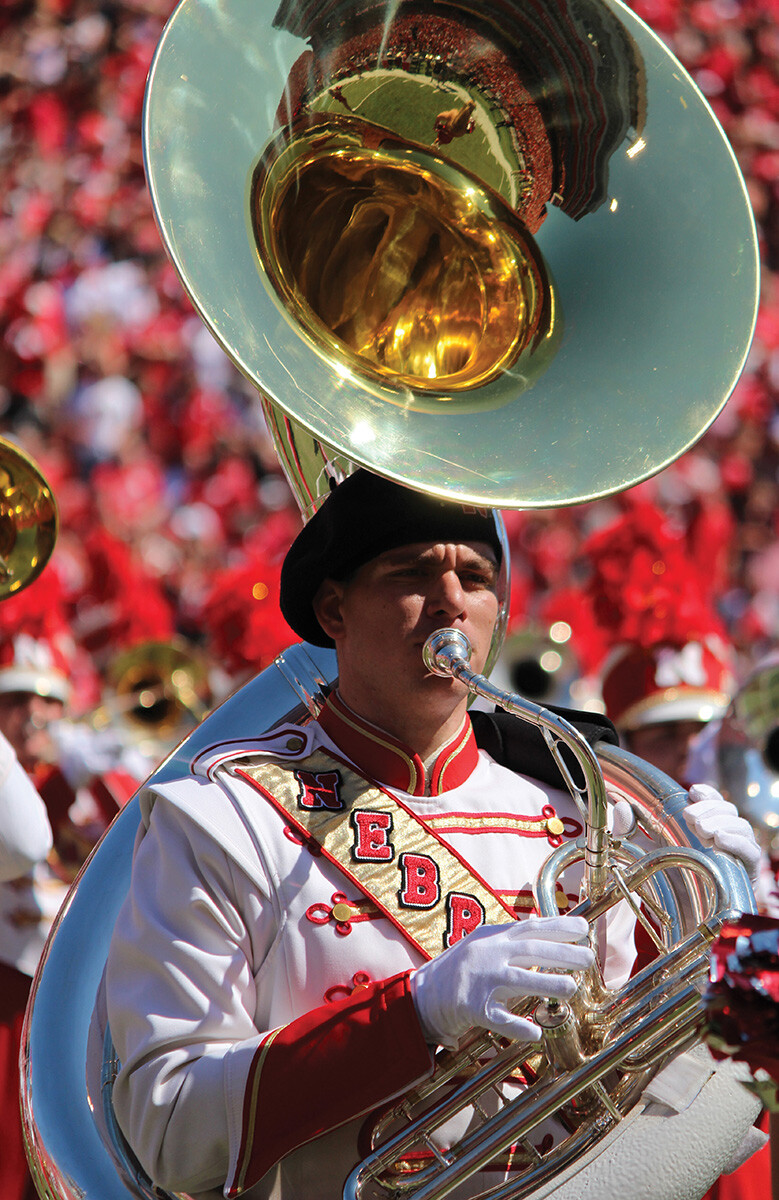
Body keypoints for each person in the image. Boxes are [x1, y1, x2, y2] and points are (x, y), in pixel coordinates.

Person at [103, 470, 762, 1200]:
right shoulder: (225, 820)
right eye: (411, 572)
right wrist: (411, 1013)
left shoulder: (587, 810)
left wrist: (739, 929)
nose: (451, 599)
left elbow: (693, 1096)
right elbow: (167, 1130)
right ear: (333, 610)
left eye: (475, 578)